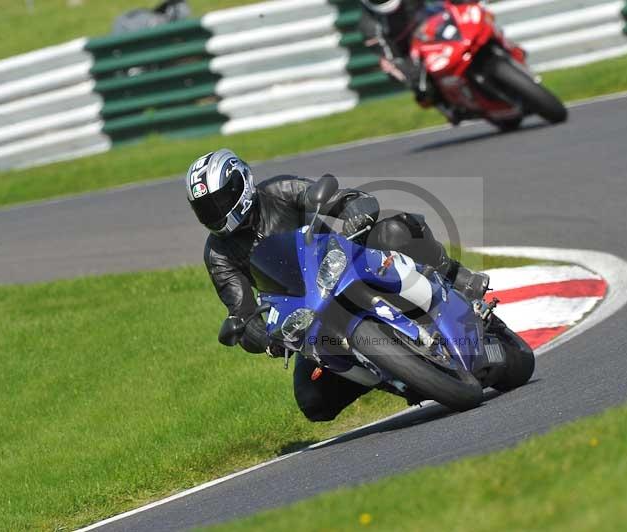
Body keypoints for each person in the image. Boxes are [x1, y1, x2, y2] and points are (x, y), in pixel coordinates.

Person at [186, 149, 489, 421]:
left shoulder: (279, 190)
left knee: (393, 231)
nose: (215, 212)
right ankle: (398, 376)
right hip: (307, 312)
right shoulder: (218, 254)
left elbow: (341, 199)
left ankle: (455, 275)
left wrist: (354, 212)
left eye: (220, 201)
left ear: (243, 184)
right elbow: (242, 310)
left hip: (341, 265)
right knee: (313, 401)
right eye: (205, 208)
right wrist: (264, 340)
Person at [359, 0, 460, 122]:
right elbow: (387, 57)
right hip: (407, 54)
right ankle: (444, 104)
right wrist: (408, 74)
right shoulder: (368, 25)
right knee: (420, 87)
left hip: (433, 29)